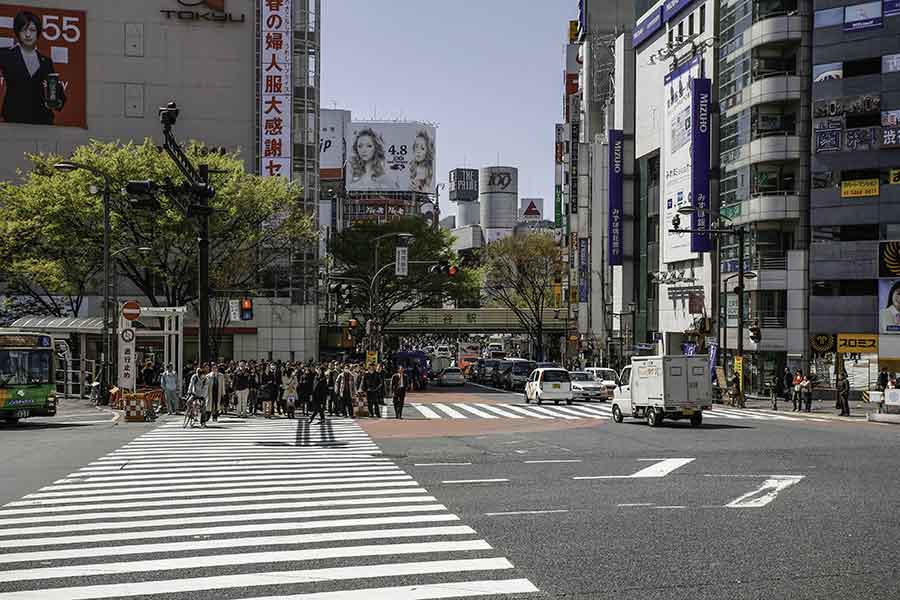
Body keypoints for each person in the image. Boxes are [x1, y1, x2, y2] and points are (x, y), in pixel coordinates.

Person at [0, 11, 67, 125]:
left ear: (38, 32)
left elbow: (58, 93)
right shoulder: (5, 55)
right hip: (13, 119)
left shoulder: (46, 61)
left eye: (32, 30)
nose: (27, 34)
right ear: (17, 32)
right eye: (23, 30)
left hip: (42, 120)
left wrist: (57, 103)